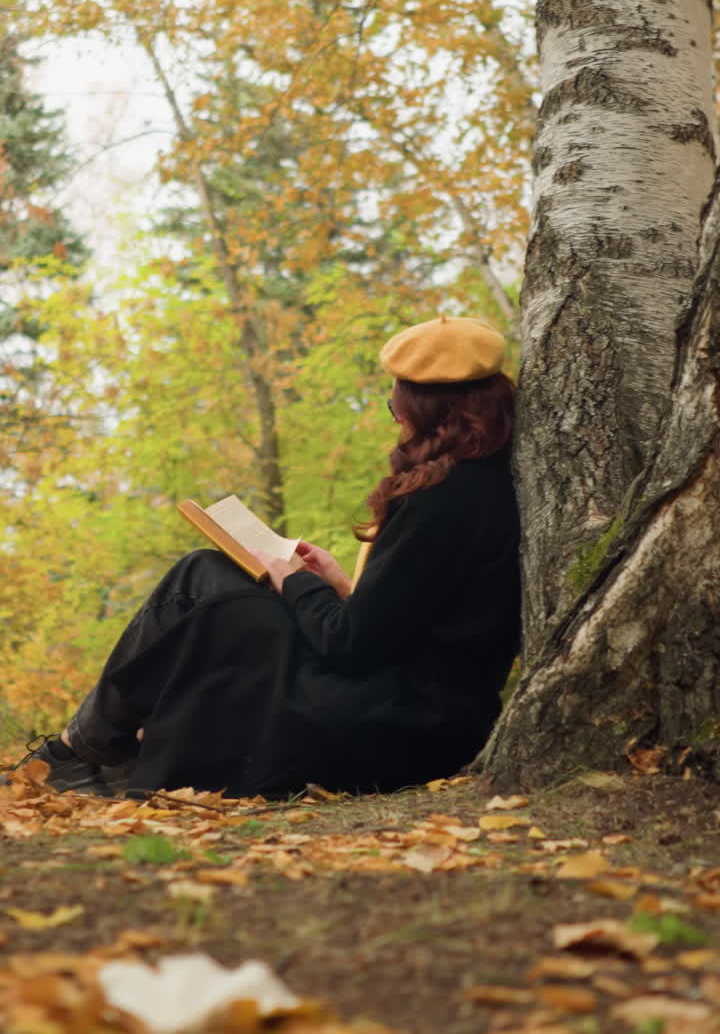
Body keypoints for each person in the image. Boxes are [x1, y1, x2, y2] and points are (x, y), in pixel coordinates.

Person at [5, 316, 521, 799]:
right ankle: (84, 750)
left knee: (212, 596)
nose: (398, 425)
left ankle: (80, 752)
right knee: (205, 572)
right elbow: (413, 625)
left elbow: (350, 647)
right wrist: (339, 585)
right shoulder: (480, 485)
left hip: (401, 724)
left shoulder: (446, 498)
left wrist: (295, 580)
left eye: (396, 409)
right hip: (425, 709)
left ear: (428, 414)